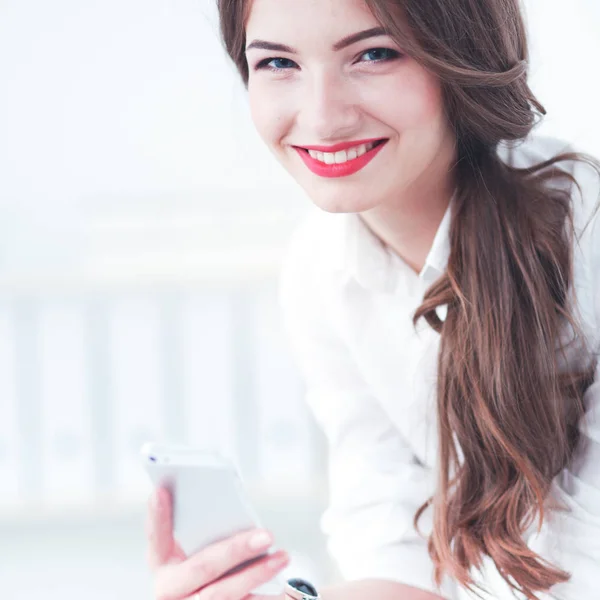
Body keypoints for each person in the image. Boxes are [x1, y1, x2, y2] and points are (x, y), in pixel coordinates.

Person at [145, 0, 600, 598]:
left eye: (375, 54)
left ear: (459, 56)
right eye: (279, 63)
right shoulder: (320, 270)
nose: (323, 117)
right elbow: (389, 538)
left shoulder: (582, 227)